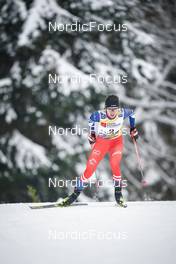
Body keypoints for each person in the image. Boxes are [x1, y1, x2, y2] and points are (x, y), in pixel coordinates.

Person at [60, 95, 138, 207]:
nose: (112, 112)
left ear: (118, 108)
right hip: (102, 143)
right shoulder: (99, 115)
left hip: (116, 143)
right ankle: (74, 195)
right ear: (105, 108)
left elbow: (132, 113)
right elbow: (91, 119)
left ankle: (118, 195)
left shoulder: (122, 113)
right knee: (90, 168)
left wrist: (133, 128)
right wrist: (92, 134)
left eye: (115, 109)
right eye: (110, 109)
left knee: (114, 164)